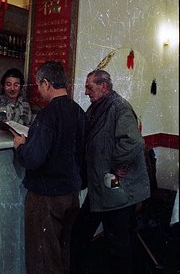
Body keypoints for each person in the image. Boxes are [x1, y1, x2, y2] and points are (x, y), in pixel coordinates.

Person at [70, 69, 150, 274]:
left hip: (114, 188)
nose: (86, 92)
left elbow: (133, 144)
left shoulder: (119, 108)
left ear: (103, 86)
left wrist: (112, 164)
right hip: (102, 186)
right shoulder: (98, 107)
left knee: (118, 243)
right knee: (84, 233)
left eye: (90, 87)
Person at [13, 61, 86, 274]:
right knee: (62, 254)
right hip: (71, 194)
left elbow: (33, 159)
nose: (39, 91)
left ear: (46, 83)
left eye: (38, 85)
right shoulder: (79, 112)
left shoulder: (47, 115)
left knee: (43, 259)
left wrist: (20, 147)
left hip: (46, 198)